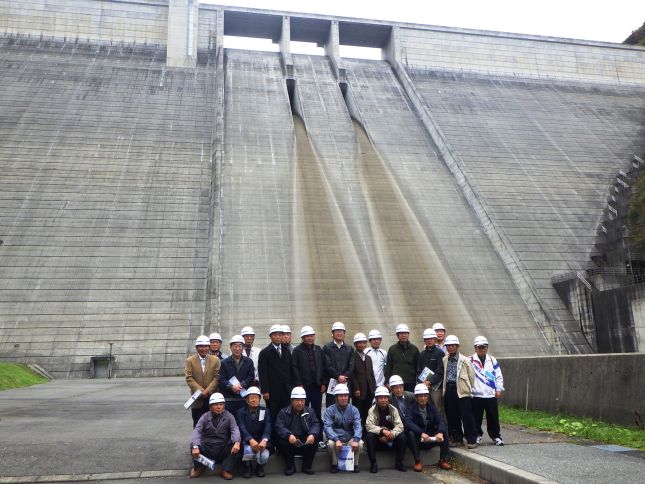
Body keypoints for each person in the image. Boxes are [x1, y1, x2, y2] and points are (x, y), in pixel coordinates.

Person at [190, 392, 241, 479]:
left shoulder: (229, 416)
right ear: (210, 406)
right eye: (216, 405)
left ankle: (226, 469)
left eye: (221, 404)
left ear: (224, 405)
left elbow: (235, 429)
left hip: (222, 446)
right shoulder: (204, 417)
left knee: (236, 445)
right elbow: (197, 431)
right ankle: (199, 467)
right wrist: (195, 446)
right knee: (193, 444)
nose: (219, 407)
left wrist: (237, 442)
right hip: (207, 446)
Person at [403, 384, 452, 471]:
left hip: (429, 439)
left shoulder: (432, 408)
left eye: (425, 396)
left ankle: (443, 459)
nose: (423, 398)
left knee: (443, 431)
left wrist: (440, 432)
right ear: (416, 397)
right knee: (410, 433)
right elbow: (408, 423)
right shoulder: (410, 409)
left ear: (427, 397)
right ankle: (417, 461)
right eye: (420, 396)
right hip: (418, 440)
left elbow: (441, 420)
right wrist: (421, 433)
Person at [275, 387, 320, 476]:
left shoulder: (310, 411)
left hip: (304, 440)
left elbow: (316, 424)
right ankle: (290, 467)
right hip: (291, 441)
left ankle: (307, 466)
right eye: (297, 400)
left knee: (315, 439)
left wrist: (312, 434)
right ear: (291, 401)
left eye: (302, 401)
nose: (300, 403)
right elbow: (279, 426)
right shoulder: (283, 412)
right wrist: (288, 435)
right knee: (281, 441)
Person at [442, 335, 478, 449]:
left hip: (462, 391)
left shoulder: (465, 360)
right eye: (448, 345)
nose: (451, 347)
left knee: (466, 416)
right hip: (449, 389)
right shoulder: (444, 359)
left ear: (457, 346)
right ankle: (457, 439)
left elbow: (472, 376)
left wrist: (468, 388)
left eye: (453, 345)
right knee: (453, 416)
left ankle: (472, 439)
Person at [258, 324, 293, 439]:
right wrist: (265, 391)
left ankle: (285, 439)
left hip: (286, 391)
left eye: (280, 334)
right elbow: (262, 373)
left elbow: (290, 370)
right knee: (273, 416)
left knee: (286, 416)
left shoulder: (287, 351)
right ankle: (273, 441)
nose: (278, 336)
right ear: (271, 336)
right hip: (272, 392)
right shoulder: (265, 352)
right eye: (275, 334)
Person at [469, 336, 505, 446]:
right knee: (476, 418)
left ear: (487, 348)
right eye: (479, 347)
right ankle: (477, 436)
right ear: (475, 348)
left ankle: (496, 436)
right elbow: (466, 377)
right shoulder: (470, 360)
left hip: (490, 394)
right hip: (476, 395)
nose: (481, 349)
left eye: (483, 347)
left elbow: (498, 376)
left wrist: (498, 389)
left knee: (493, 417)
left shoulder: (492, 360)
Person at [364, 386, 407, 473]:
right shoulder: (372, 410)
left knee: (403, 437)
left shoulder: (393, 409)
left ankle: (399, 462)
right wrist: (382, 432)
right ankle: (373, 463)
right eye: (380, 398)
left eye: (385, 397)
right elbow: (368, 426)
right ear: (376, 399)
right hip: (378, 440)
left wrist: (391, 434)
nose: (383, 400)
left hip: (391, 439)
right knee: (369, 436)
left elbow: (400, 426)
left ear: (388, 398)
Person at [323, 383, 363, 473]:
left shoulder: (354, 410)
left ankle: (354, 464)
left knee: (360, 443)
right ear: (336, 397)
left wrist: (356, 439)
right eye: (341, 396)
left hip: (349, 439)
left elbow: (358, 426)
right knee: (330, 444)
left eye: (345, 395)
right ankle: (334, 464)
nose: (344, 398)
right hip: (335, 439)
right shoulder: (329, 410)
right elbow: (327, 427)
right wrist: (336, 439)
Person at [291, 325, 326, 426]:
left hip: (317, 387)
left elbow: (323, 367)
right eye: (307, 336)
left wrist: (323, 383)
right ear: (302, 338)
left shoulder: (319, 349)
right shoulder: (297, 351)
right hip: (303, 387)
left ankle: (318, 437)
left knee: (317, 412)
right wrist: (299, 383)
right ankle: (303, 433)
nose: (310, 338)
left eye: (312, 336)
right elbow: (294, 367)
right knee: (302, 411)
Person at [186, 335, 221, 427]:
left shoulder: (215, 360)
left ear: (209, 347)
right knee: (198, 424)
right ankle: (197, 441)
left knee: (213, 424)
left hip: (212, 397)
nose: (203, 349)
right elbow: (189, 378)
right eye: (201, 346)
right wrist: (201, 391)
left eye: (206, 346)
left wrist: (207, 391)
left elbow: (217, 377)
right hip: (197, 398)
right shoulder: (190, 361)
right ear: (197, 347)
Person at [236, 386, 271, 478]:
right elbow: (242, 427)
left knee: (265, 454)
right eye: (251, 398)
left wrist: (264, 439)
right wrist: (250, 439)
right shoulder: (240, 412)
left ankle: (260, 467)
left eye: (256, 398)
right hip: (247, 441)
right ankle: (247, 467)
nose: (253, 400)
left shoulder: (265, 411)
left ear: (259, 399)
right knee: (246, 449)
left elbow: (268, 426)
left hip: (261, 440)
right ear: (247, 400)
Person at [220, 335, 256, 416]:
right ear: (230, 347)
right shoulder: (224, 362)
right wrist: (231, 387)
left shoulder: (249, 361)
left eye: (240, 346)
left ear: (243, 347)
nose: (237, 348)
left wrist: (241, 385)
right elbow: (221, 378)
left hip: (244, 397)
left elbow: (251, 377)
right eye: (235, 345)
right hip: (229, 398)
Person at [322, 321, 354, 407]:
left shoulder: (349, 348)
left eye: (341, 331)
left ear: (344, 333)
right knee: (331, 405)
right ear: (332, 333)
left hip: (346, 382)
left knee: (345, 405)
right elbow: (327, 365)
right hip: (332, 382)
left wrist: (345, 376)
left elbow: (351, 365)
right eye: (337, 331)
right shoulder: (327, 348)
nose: (339, 333)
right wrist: (338, 376)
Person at [417, 328, 445, 419]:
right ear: (424, 340)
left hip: (436, 388)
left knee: (438, 408)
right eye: (427, 339)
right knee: (426, 409)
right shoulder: (422, 354)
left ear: (435, 339)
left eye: (431, 338)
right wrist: (422, 383)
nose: (429, 340)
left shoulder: (440, 353)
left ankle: (442, 431)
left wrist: (429, 382)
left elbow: (440, 371)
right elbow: (418, 371)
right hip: (424, 387)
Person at [351, 332, 376, 426]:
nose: (362, 345)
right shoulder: (352, 357)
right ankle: (358, 433)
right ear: (355, 344)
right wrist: (356, 388)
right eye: (359, 343)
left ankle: (367, 432)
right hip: (358, 391)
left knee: (368, 412)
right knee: (358, 413)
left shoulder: (368, 358)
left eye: (363, 342)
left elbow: (372, 375)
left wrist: (374, 388)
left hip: (369, 390)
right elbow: (352, 374)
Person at [384, 324, 419, 392]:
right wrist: (387, 381)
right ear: (397, 335)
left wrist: (417, 380)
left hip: (410, 382)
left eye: (405, 333)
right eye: (401, 333)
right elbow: (388, 367)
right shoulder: (392, 349)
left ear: (408, 335)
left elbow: (417, 367)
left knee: (410, 400)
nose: (404, 335)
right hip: (396, 382)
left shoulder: (414, 349)